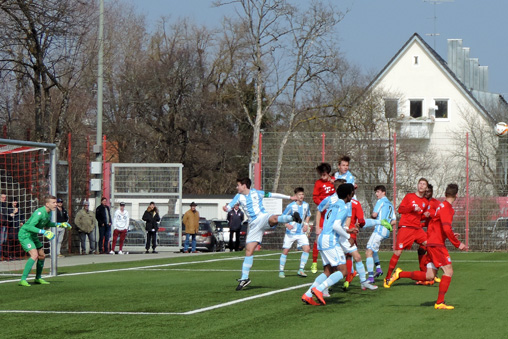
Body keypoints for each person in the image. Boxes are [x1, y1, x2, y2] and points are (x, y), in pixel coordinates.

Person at [387, 184, 468, 310]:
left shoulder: (440, 206)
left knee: (429, 276)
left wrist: (447, 235)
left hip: (431, 243)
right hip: (437, 245)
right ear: (456, 195)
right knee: (448, 271)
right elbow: (446, 227)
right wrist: (458, 243)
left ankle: (400, 274)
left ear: (446, 193)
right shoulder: (447, 208)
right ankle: (440, 302)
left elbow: (436, 225)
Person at [223, 177, 301, 291]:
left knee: (273, 218)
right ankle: (245, 278)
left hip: (262, 217)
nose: (237, 187)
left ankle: (292, 217)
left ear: (244, 185)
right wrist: (226, 208)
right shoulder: (238, 196)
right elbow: (229, 206)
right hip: (254, 225)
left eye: (238, 185)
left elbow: (273, 194)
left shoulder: (256, 193)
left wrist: (289, 197)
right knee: (249, 250)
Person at [301, 183, 356, 306]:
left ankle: (308, 294)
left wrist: (348, 230)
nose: (353, 194)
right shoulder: (343, 206)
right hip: (330, 240)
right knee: (343, 271)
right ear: (348, 194)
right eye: (352, 192)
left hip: (322, 238)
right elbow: (336, 226)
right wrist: (348, 237)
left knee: (328, 271)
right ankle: (319, 290)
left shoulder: (333, 205)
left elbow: (333, 223)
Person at [384, 178, 429, 288]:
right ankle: (388, 277)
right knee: (398, 252)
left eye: (424, 184)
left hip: (417, 229)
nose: (421, 186)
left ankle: (425, 274)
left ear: (426, 188)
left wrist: (425, 216)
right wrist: (412, 207)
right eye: (420, 183)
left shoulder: (425, 202)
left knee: (430, 246)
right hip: (406, 228)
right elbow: (401, 210)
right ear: (418, 185)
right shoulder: (409, 197)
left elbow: (419, 216)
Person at [17, 195, 71, 286]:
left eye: (56, 202)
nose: (55, 204)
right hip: (25, 235)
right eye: (53, 203)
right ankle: (23, 279)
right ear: (47, 204)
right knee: (34, 255)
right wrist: (44, 232)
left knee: (42, 256)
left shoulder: (49, 212)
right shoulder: (39, 213)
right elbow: (29, 226)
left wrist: (60, 224)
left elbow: (47, 223)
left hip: (33, 235)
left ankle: (38, 278)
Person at [362, 185, 396, 282]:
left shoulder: (380, 201)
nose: (376, 194)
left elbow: (374, 214)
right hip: (386, 232)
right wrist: (387, 224)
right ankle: (378, 269)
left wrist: (373, 218)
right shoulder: (390, 204)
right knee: (374, 249)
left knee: (368, 251)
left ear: (383, 192)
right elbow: (394, 221)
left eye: (378, 192)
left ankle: (371, 278)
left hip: (379, 230)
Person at [279, 187, 311, 278]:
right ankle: (281, 270)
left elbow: (308, 215)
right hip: (290, 233)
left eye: (302, 194)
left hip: (301, 233)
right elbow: (283, 216)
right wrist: (286, 225)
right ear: (295, 196)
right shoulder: (290, 206)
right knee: (285, 251)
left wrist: (306, 224)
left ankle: (301, 269)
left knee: (307, 249)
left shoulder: (306, 205)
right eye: (299, 194)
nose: (301, 196)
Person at [310, 163, 336, 274]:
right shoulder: (318, 183)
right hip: (322, 214)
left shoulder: (335, 182)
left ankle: (332, 262)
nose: (322, 177)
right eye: (321, 174)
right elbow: (315, 197)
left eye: (324, 174)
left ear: (329, 174)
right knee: (318, 238)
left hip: (332, 214)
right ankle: (314, 262)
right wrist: (322, 204)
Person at [0, 193, 8, 259]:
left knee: (4, 241)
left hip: (5, 225)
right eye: (2, 197)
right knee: (1, 241)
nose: (4, 199)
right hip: (1, 225)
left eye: (5, 197)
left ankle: (3, 255)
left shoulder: (5, 206)